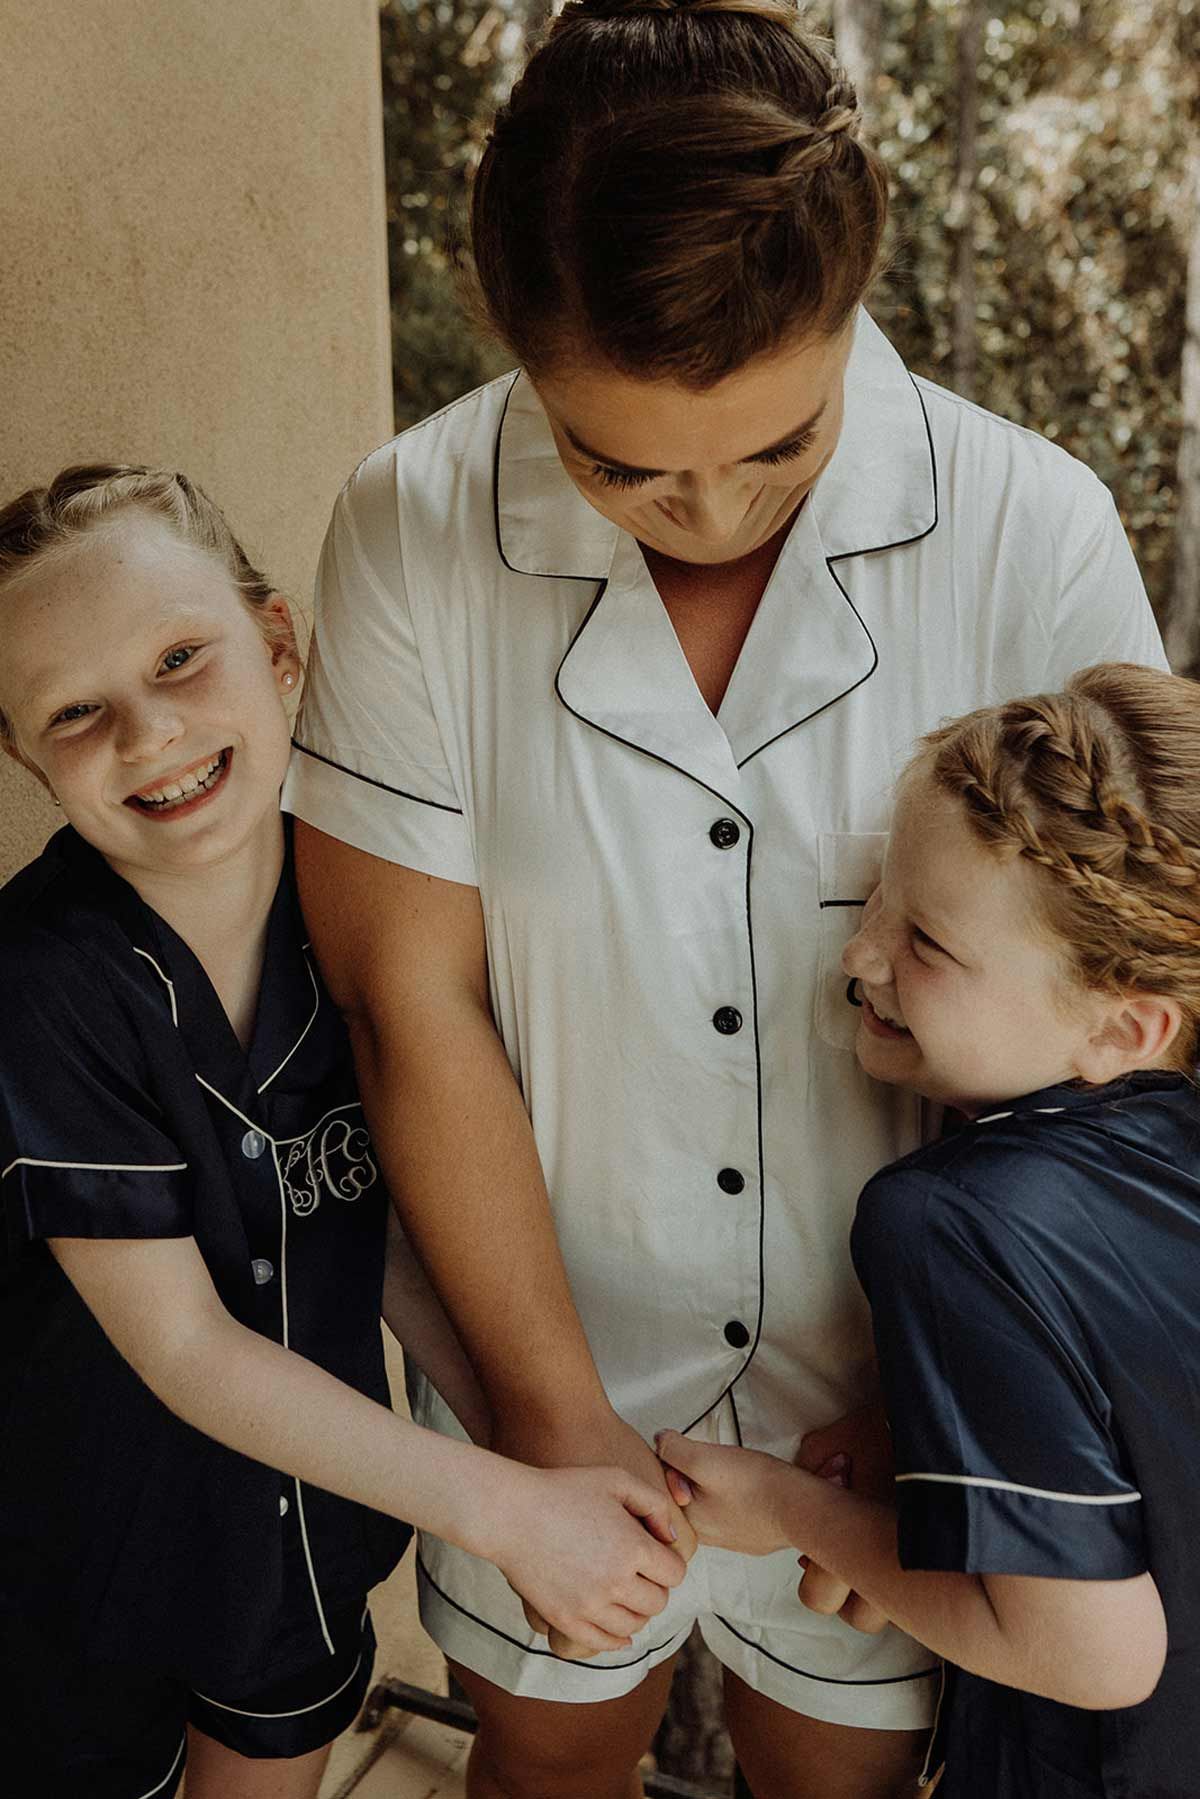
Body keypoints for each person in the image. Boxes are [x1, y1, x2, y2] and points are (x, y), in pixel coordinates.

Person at [283, 2, 1166, 1794]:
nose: (705, 508)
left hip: (893, 1397)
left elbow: (1124, 999)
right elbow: (405, 995)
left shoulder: (1038, 524)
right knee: (538, 1763)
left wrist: (944, 1406)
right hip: (541, 1352)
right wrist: (549, 1424)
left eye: (778, 447)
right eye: (621, 463)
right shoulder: (405, 524)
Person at [0, 465, 686, 1799]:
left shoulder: (355, 910)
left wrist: (532, 1434)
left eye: (181, 657)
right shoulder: (43, 980)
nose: (147, 734)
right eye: (75, 711)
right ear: (24, 752)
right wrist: (503, 1507)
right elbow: (189, 1348)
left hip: (300, 1552)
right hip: (86, 1574)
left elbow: (363, 1222)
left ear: (276, 644)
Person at [657, 661, 1200, 1797]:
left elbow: (1093, 1652)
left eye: (928, 946)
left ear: (1126, 1026)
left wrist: (788, 1507)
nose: (861, 956)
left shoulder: (952, 1221)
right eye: (877, 901)